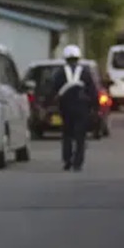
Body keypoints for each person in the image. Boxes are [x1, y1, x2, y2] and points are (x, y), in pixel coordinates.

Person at [51, 43, 98, 171]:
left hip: (65, 108)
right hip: (82, 108)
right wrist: (95, 107)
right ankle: (78, 163)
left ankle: (67, 160)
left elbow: (53, 90)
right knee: (80, 136)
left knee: (67, 134)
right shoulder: (85, 72)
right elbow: (93, 91)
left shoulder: (59, 73)